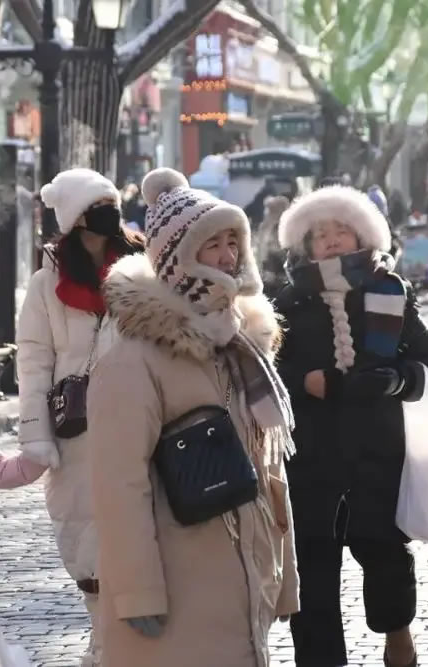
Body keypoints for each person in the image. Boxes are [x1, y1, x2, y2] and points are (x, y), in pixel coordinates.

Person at [86, 168, 299, 667]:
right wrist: (137, 592)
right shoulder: (134, 359)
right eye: (212, 244)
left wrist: (283, 574)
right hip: (179, 580)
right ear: (177, 257)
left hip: (243, 579)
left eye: (233, 242)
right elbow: (119, 486)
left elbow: (269, 471)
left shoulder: (243, 348)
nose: (228, 256)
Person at [275, 185, 428, 667]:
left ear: (363, 235)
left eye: (341, 230)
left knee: (385, 552)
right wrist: (305, 383)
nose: (331, 240)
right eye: (320, 234)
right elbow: (267, 370)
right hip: (310, 455)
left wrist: (396, 379)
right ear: (306, 245)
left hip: (377, 451)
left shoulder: (390, 290)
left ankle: (399, 637)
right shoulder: (288, 301)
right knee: (313, 568)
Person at [15, 167, 146, 667]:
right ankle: (102, 636)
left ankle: (123, 642)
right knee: (83, 535)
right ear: (74, 219)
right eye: (97, 207)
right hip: (76, 430)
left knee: (135, 533)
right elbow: (33, 361)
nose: (108, 215)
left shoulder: (140, 268)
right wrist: (36, 436)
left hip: (136, 422)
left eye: (111, 204)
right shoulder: (46, 284)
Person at [253, 194, 290, 297]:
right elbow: (261, 248)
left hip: (279, 268)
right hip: (267, 267)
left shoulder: (284, 226)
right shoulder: (265, 226)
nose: (268, 212)